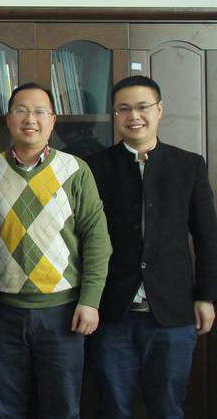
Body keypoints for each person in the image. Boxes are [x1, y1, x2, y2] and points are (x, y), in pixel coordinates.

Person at [86, 75, 217, 419]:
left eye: (143, 107)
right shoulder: (94, 167)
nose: (134, 116)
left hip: (173, 312)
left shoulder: (189, 165)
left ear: (159, 110)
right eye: (124, 109)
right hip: (111, 312)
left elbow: (207, 237)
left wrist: (206, 296)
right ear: (114, 115)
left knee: (167, 408)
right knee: (111, 408)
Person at [0, 82, 112, 418]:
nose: (30, 119)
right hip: (1, 312)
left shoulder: (75, 170)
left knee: (62, 408)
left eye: (40, 112)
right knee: (3, 409)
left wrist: (90, 301)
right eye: (21, 111)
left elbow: (97, 240)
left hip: (62, 312)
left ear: (52, 120)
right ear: (8, 119)